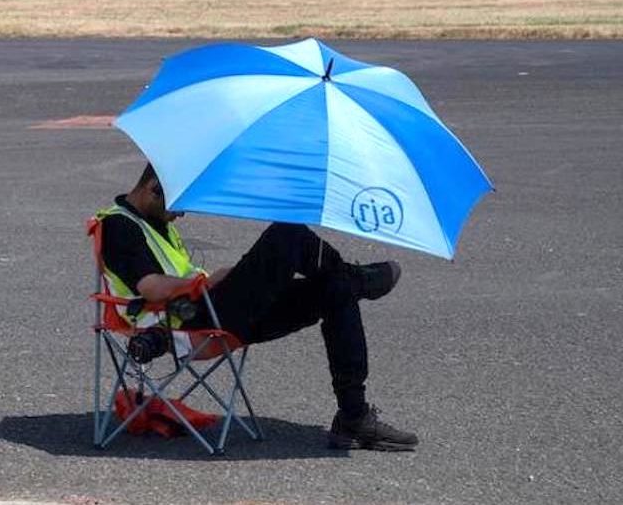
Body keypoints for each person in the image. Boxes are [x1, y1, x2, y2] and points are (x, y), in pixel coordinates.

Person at [95, 163, 420, 452]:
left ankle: (353, 416)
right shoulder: (119, 226)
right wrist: (206, 284)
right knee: (287, 232)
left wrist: (216, 282)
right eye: (179, 206)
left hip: (210, 312)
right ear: (154, 189)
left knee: (334, 289)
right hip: (187, 325)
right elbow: (150, 286)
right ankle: (359, 278)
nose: (181, 215)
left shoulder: (155, 221)